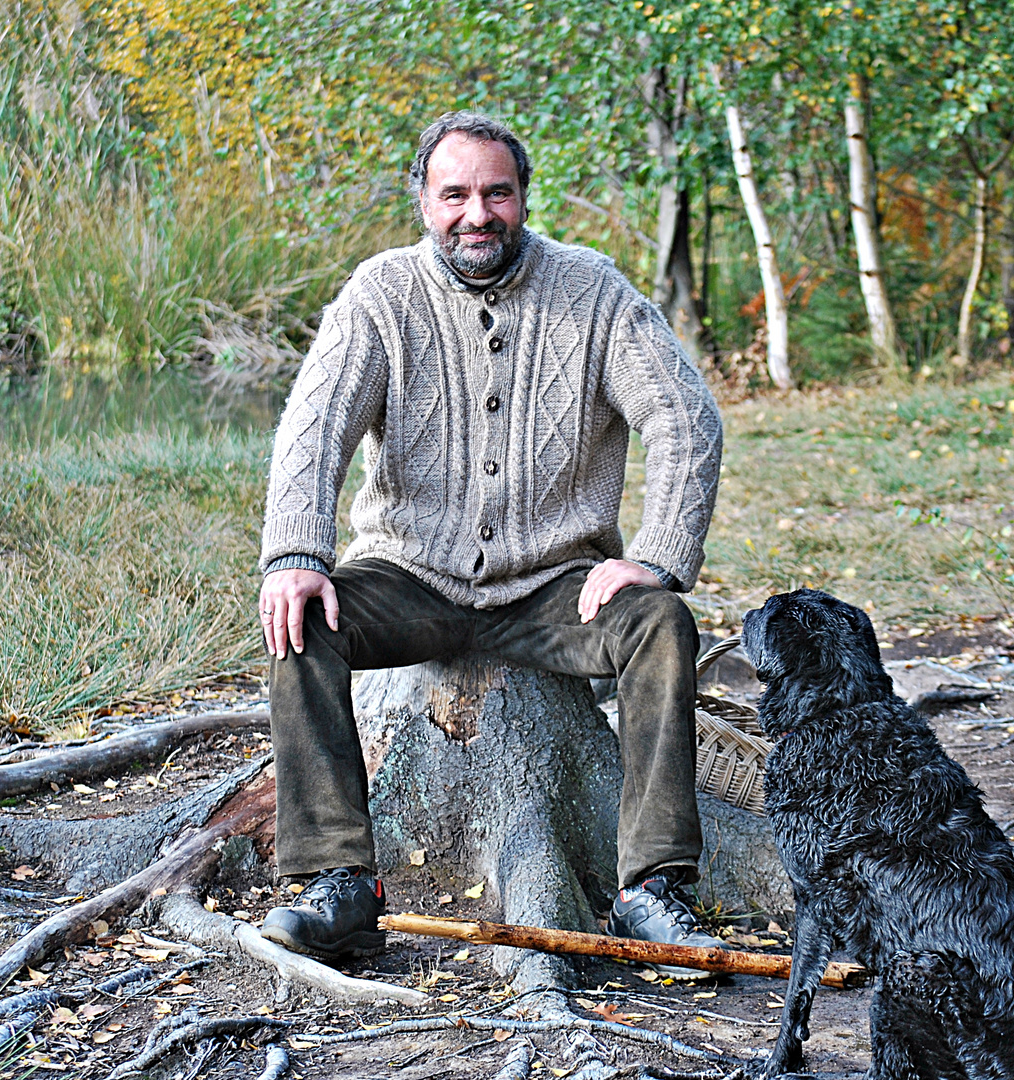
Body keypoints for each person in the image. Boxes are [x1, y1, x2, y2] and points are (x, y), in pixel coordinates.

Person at [255, 111, 724, 974]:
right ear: (424, 203)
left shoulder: (592, 290)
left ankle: (651, 890)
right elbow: (311, 432)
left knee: (659, 622)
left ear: (521, 197)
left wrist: (655, 556)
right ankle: (338, 884)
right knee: (297, 621)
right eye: (455, 194)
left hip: (556, 588)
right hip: (410, 576)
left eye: (495, 192)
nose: (477, 213)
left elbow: (684, 419)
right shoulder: (380, 293)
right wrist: (295, 555)